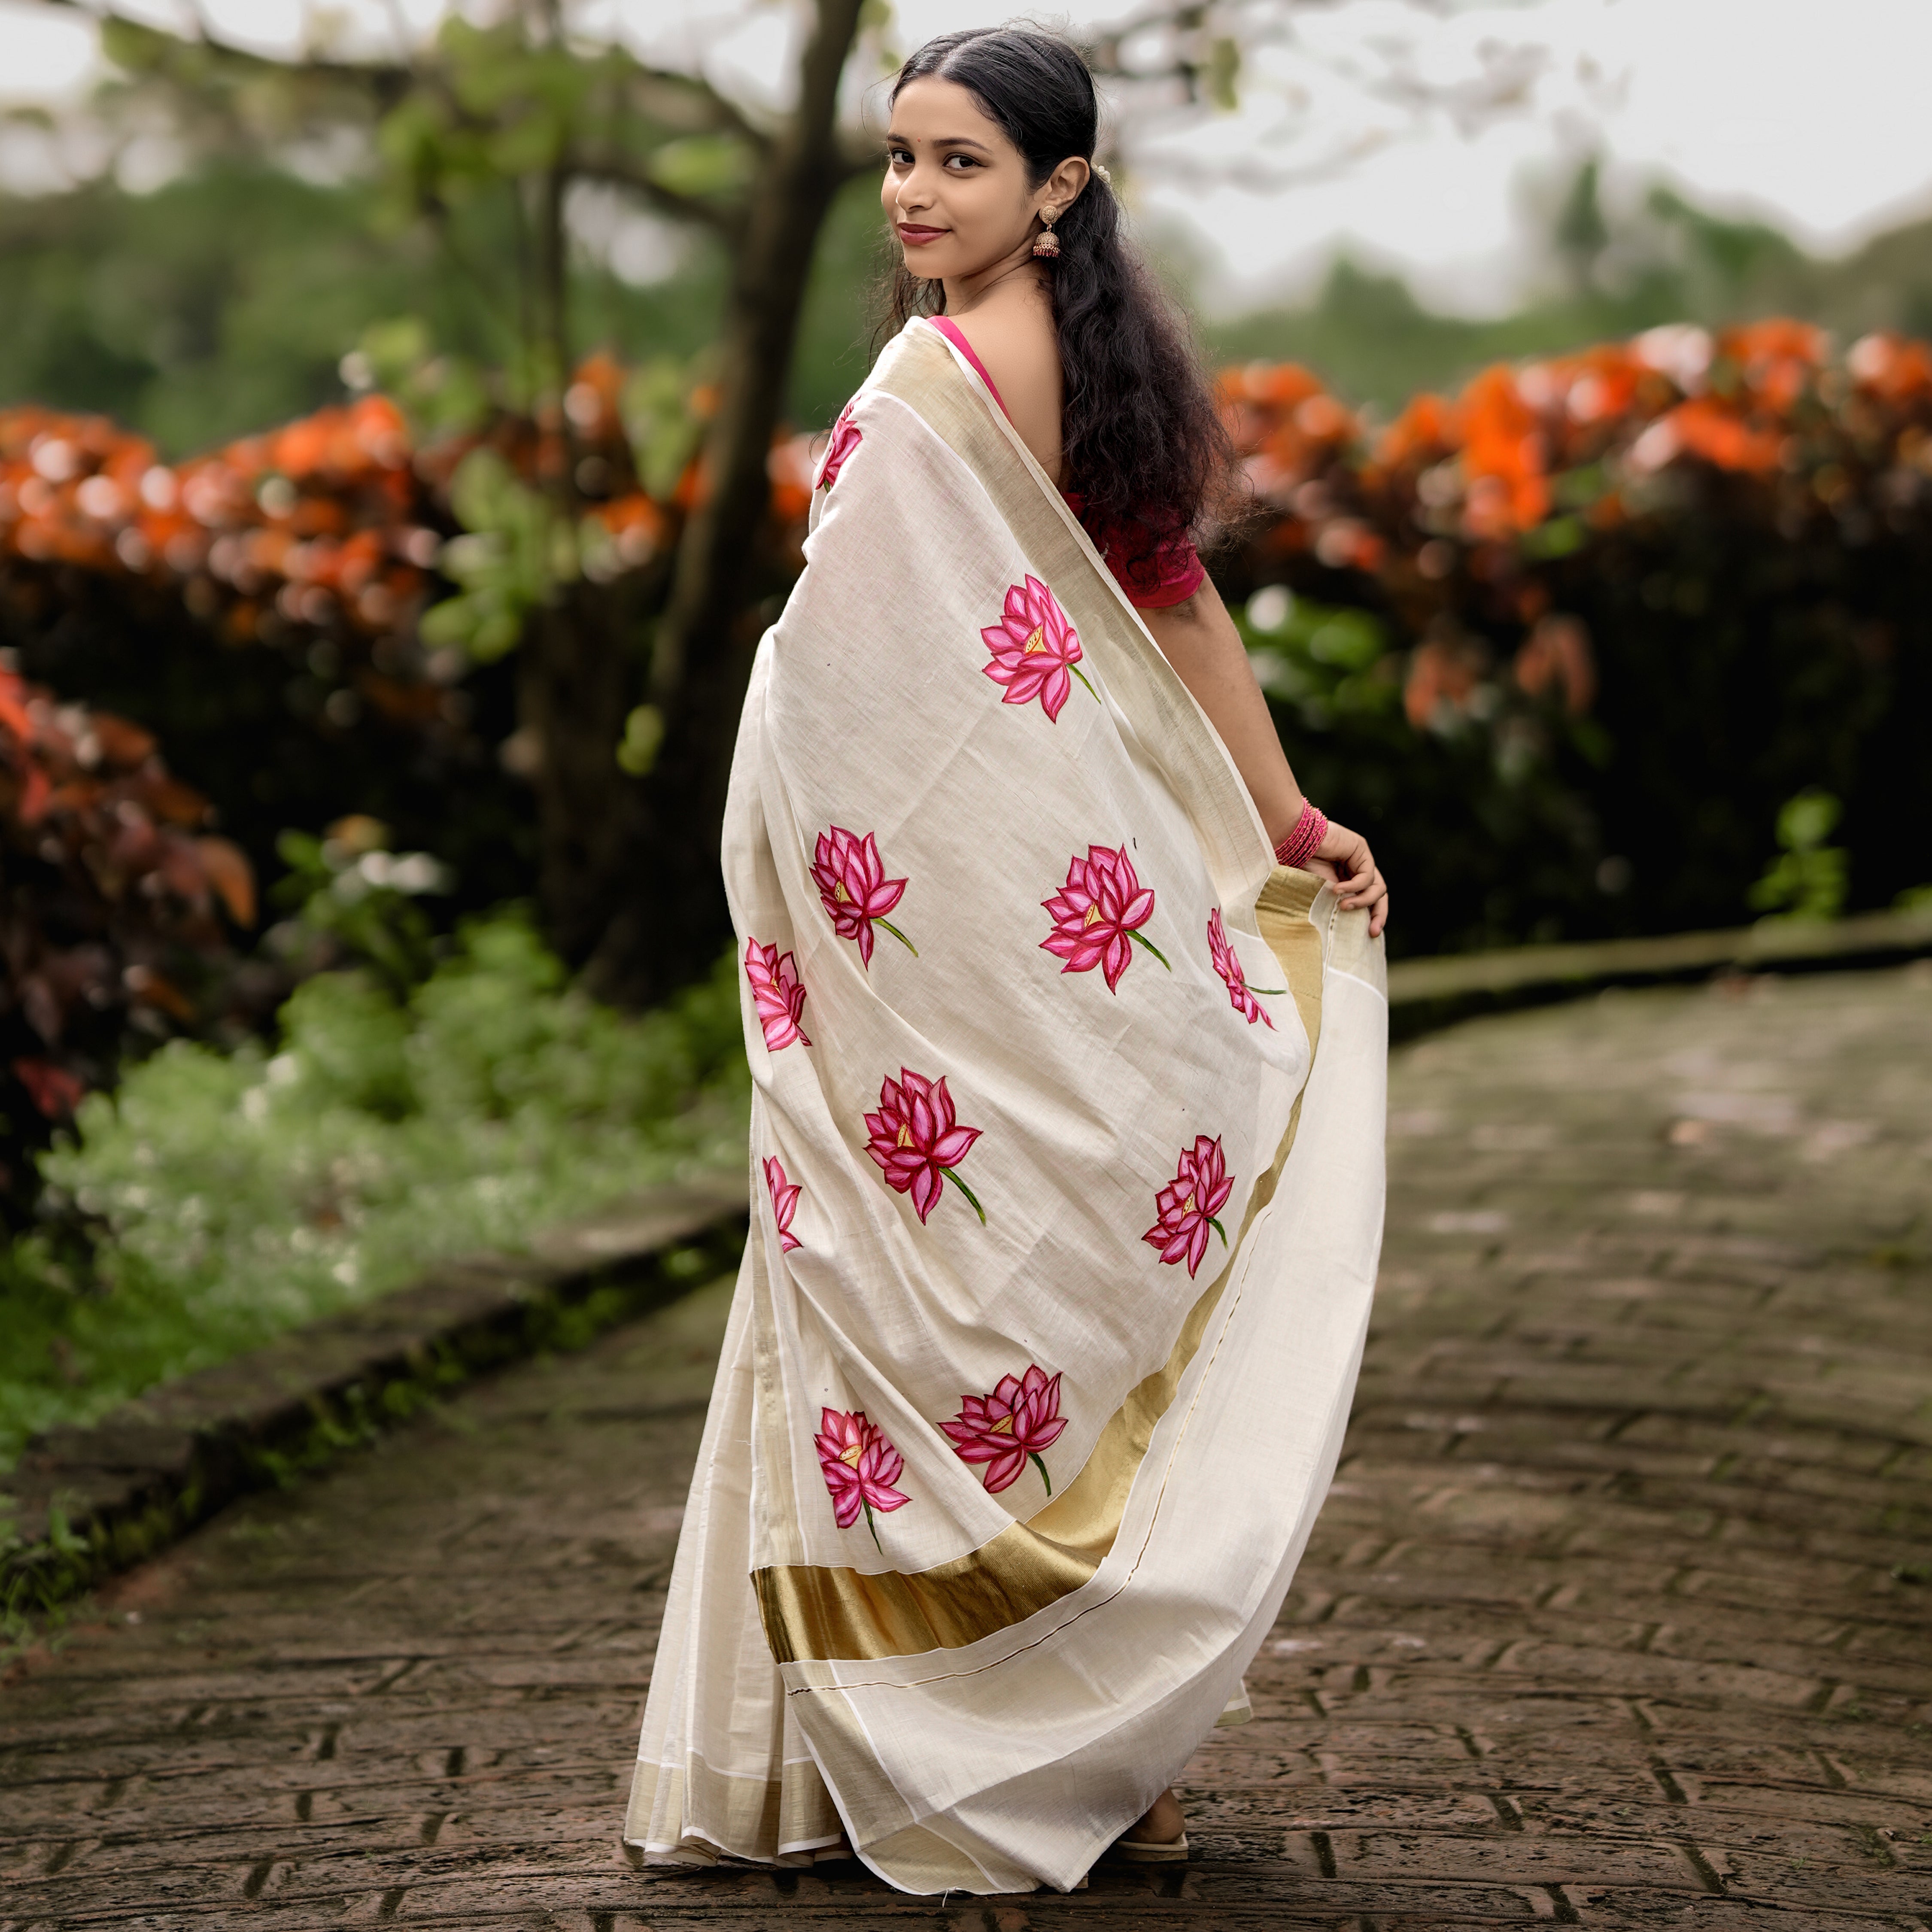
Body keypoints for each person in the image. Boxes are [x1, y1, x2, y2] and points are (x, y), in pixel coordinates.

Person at [623, 24, 1389, 1896]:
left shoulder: (935, 372)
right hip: (994, 920)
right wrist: (1283, 821)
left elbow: (893, 660)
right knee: (1011, 1311)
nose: (912, 193)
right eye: (899, 158)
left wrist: (1290, 832)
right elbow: (1175, 606)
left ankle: (961, 1758)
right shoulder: (1079, 366)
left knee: (911, 1303)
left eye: (957, 162)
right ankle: (1103, 1755)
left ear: (1055, 188)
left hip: (959, 927)